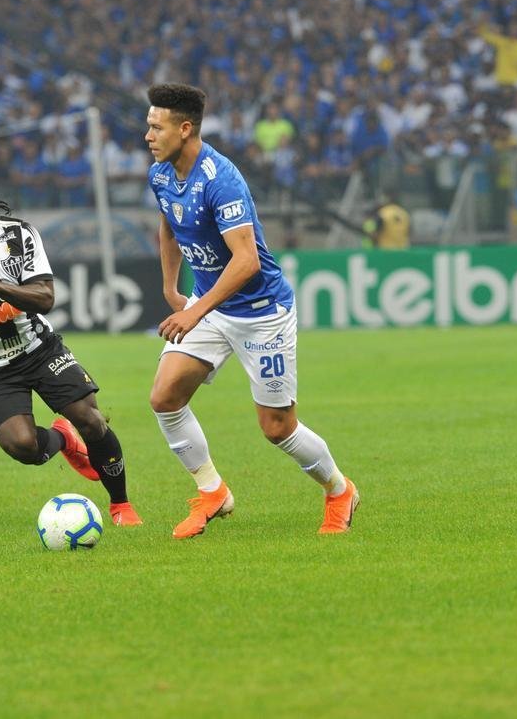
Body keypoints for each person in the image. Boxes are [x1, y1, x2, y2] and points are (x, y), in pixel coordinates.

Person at [143, 83, 359, 538]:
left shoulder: (222, 179)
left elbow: (246, 261)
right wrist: (170, 288)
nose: (148, 135)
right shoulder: (161, 175)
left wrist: (194, 311)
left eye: (156, 127)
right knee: (164, 397)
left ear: (185, 129)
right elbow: (168, 225)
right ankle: (212, 491)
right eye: (148, 125)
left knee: (277, 427)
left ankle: (339, 490)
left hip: (262, 313)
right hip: (210, 306)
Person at [0, 167, 141, 526]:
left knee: (91, 420)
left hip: (40, 348)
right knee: (24, 447)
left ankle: (121, 505)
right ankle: (62, 439)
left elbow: (45, 298)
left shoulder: (19, 234)